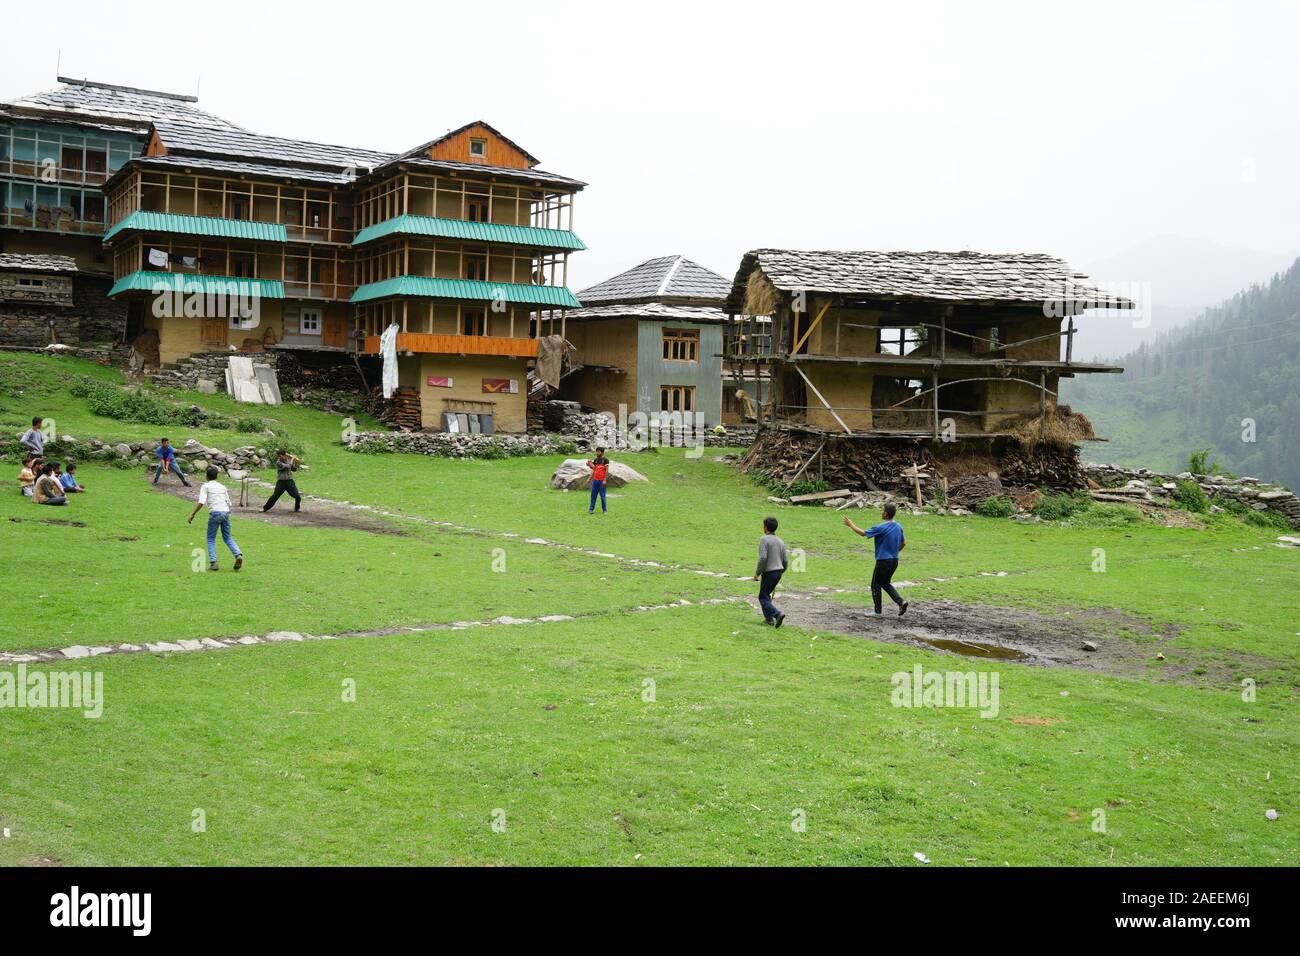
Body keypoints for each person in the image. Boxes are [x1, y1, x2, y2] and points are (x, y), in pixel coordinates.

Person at [844, 504, 909, 617]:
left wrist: (850, 524)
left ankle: (877, 612)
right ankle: (901, 602)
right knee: (885, 583)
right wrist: (894, 552)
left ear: (885, 514)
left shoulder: (881, 527)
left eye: (882, 510)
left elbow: (862, 533)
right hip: (894, 561)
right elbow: (903, 543)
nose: (881, 512)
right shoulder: (899, 527)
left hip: (883, 561)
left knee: (875, 585)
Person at [189, 466, 243, 571]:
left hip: (215, 513)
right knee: (227, 537)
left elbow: (201, 502)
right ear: (217, 476)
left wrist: (192, 514)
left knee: (210, 538)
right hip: (226, 512)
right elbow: (229, 502)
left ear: (206, 476)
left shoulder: (206, 486)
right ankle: (238, 554)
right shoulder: (222, 487)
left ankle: (214, 563)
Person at [753, 515, 789, 628]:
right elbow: (785, 561)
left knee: (763, 597)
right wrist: (781, 572)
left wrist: (757, 573)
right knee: (766, 595)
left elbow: (763, 558)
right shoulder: (780, 541)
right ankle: (768, 620)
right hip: (778, 571)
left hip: (769, 572)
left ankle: (777, 614)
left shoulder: (764, 539)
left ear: (765, 528)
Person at [585, 446, 611, 514]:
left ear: (602, 452)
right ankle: (591, 509)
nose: (596, 453)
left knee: (602, 496)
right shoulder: (596, 460)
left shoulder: (606, 460)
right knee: (593, 496)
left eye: (598, 452)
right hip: (595, 481)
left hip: (602, 481)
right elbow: (593, 469)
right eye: (596, 451)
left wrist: (605, 480)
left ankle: (604, 510)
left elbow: (607, 471)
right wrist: (589, 478)